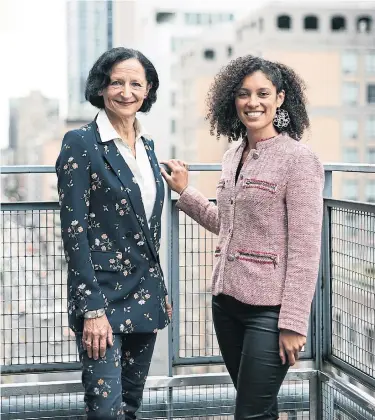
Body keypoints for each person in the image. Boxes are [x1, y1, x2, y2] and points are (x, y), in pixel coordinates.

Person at [161, 56, 324, 419]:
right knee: (259, 408)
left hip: (270, 313)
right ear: (232, 100)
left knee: (248, 412)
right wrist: (187, 193)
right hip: (226, 304)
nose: (253, 102)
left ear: (280, 98)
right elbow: (230, 225)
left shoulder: (299, 160)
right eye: (244, 94)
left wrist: (294, 323)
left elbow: (305, 249)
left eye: (263, 93)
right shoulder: (233, 155)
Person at [56, 47, 171, 420]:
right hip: (101, 300)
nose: (126, 92)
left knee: (130, 406)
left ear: (148, 90)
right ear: (101, 87)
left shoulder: (148, 147)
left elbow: (146, 228)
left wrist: (160, 289)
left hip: (145, 295)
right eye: (116, 82)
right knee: (104, 410)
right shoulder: (81, 142)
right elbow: (74, 232)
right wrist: (91, 309)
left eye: (136, 83)